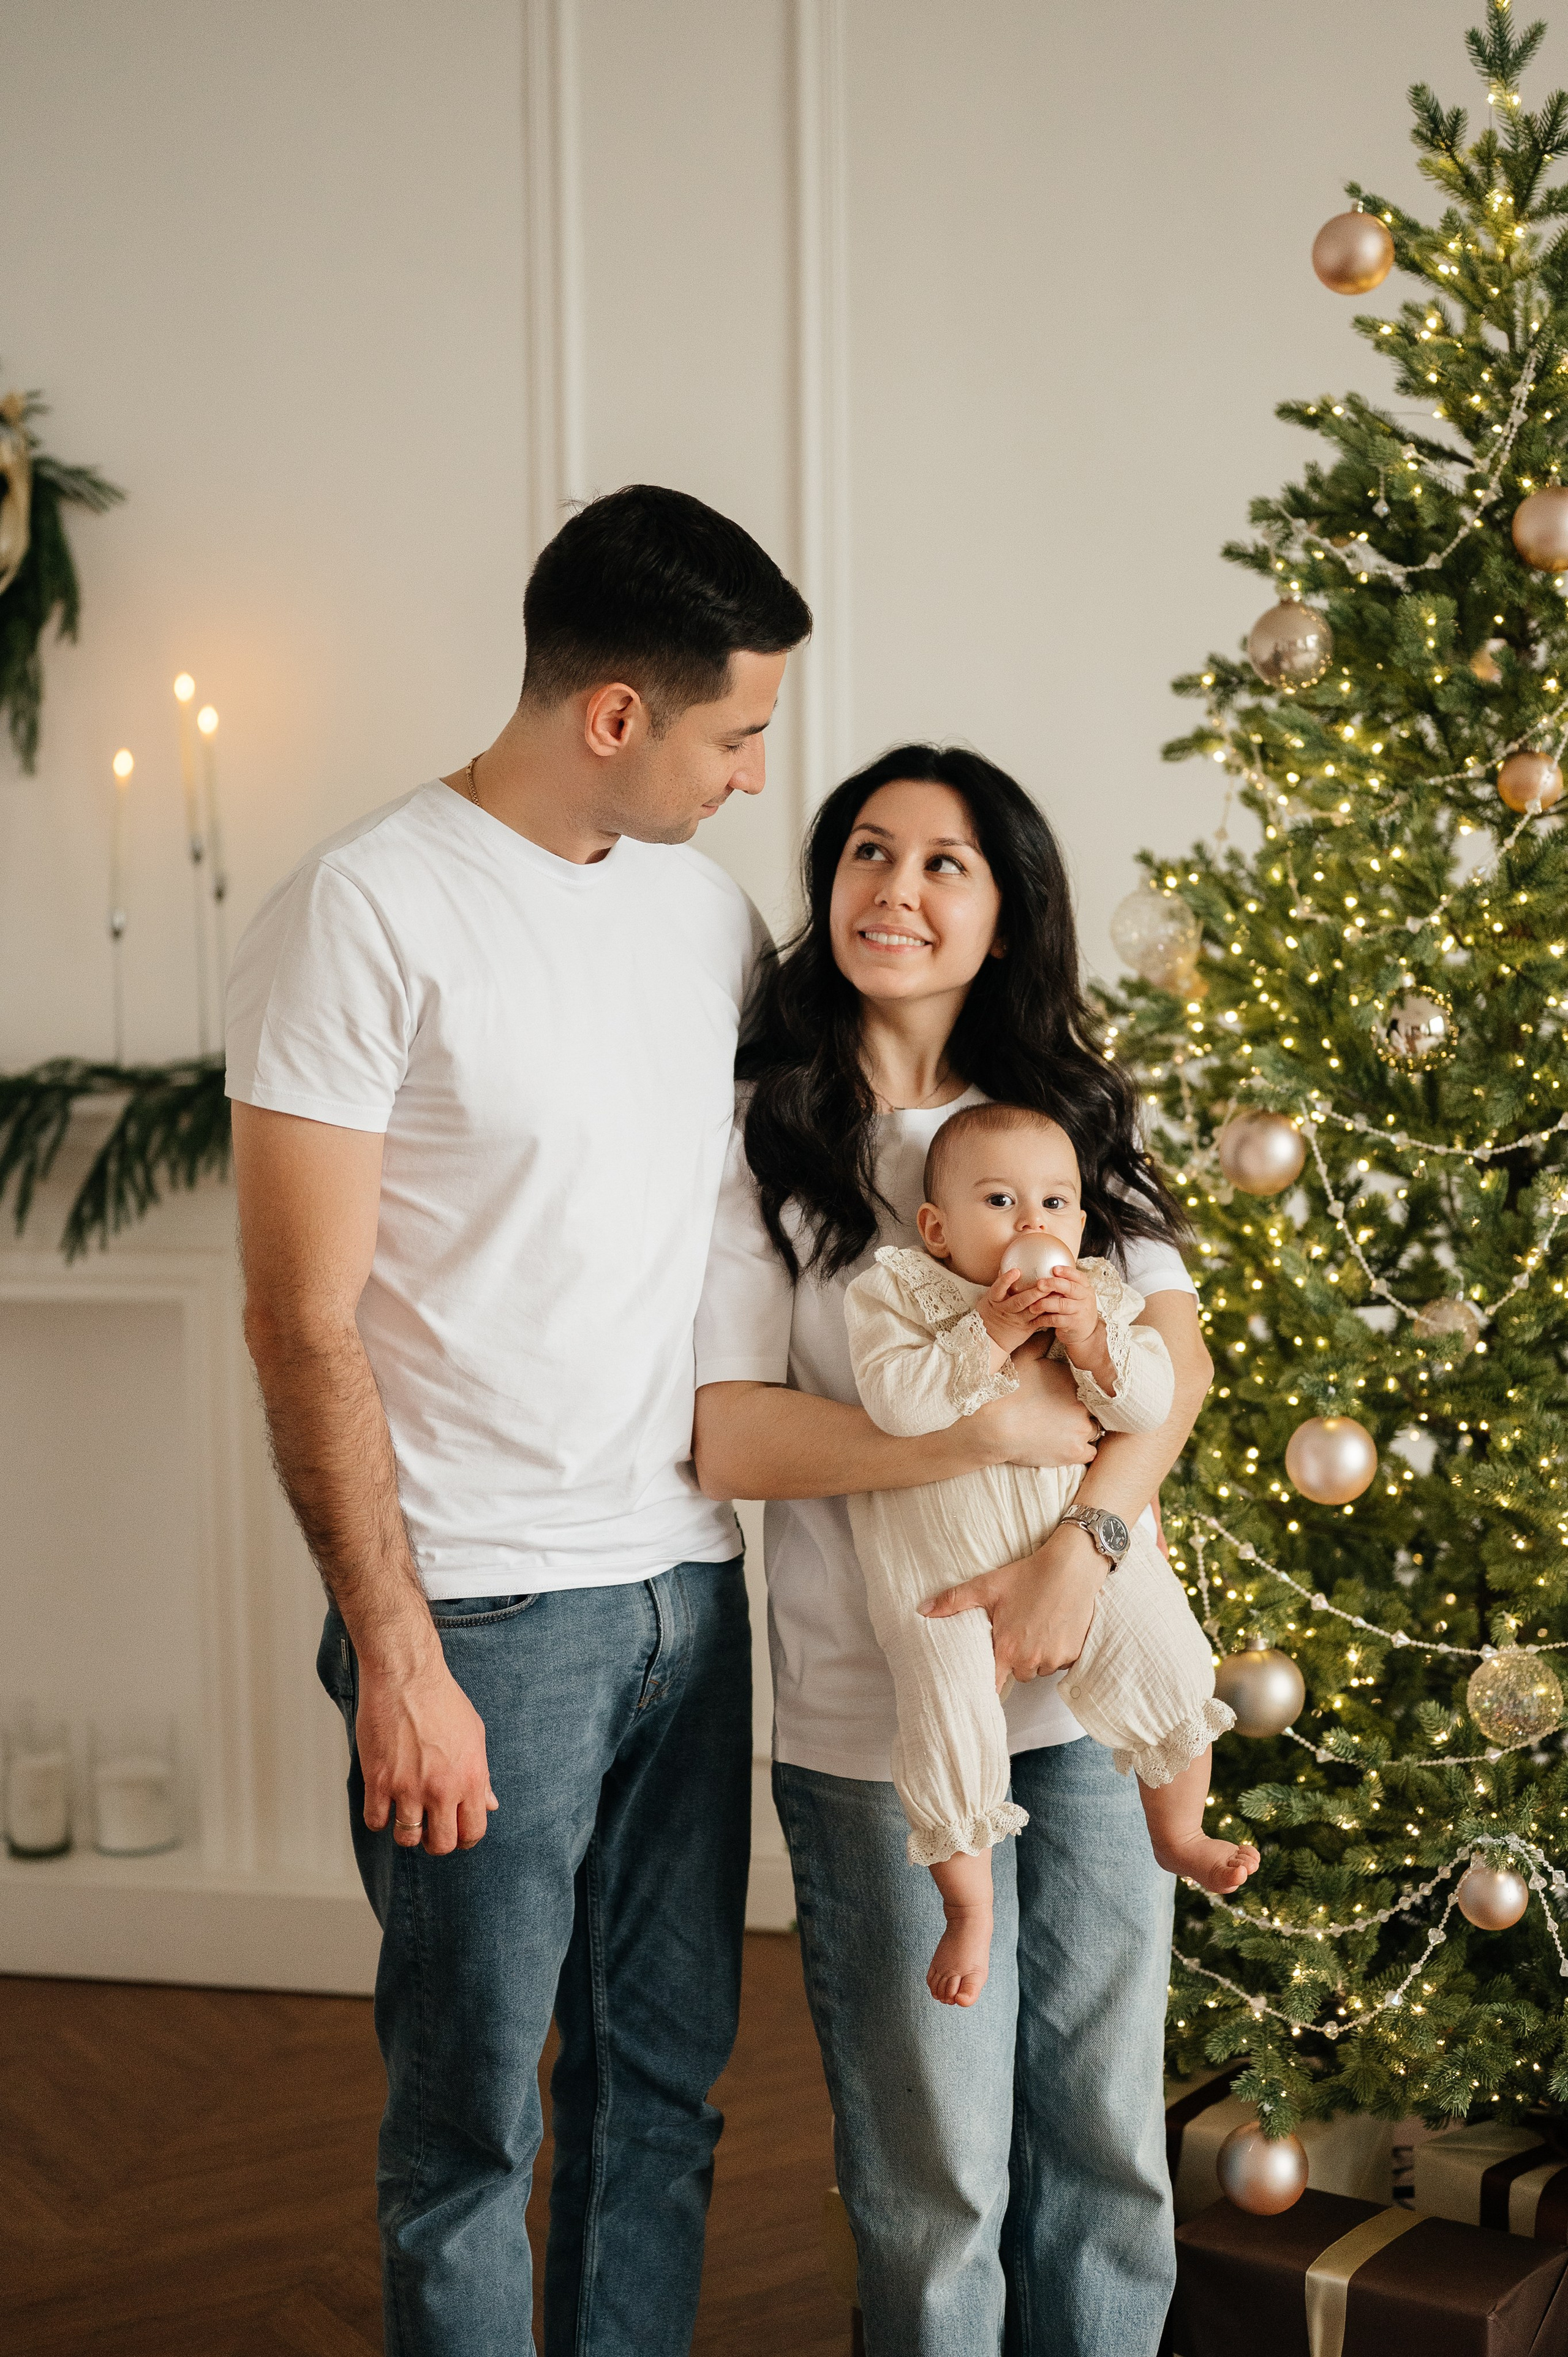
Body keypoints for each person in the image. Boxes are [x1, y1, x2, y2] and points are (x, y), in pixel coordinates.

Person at [225, 484, 810, 2357]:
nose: (749, 777)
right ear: (618, 716)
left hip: (687, 1599)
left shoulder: (707, 918)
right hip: (484, 1621)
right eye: (737, 734)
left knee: (663, 2097)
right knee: (471, 2133)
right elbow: (299, 1323)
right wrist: (396, 1654)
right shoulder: (366, 909)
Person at [693, 743, 1213, 2357]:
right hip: (886, 1717)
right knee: (939, 2192)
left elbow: (1168, 1368)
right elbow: (729, 1435)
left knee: (1112, 2160)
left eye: (943, 864)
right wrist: (972, 1436)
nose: (895, 891)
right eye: (867, 851)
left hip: (1088, 1693)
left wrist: (1087, 1547)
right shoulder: (762, 1131)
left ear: (1006, 912)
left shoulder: (1064, 1122)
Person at [842, 1099, 1253, 2009]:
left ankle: (1178, 1833)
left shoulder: (1100, 1297)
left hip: (1082, 1555)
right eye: (1001, 1202)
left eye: (1057, 1204)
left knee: (1172, 1661)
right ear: (937, 1229)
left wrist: (1093, 1341)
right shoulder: (895, 1294)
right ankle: (970, 1908)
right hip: (940, 1581)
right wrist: (988, 1330)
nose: (1035, 1224)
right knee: (947, 1721)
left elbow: (1148, 1405)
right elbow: (901, 1409)